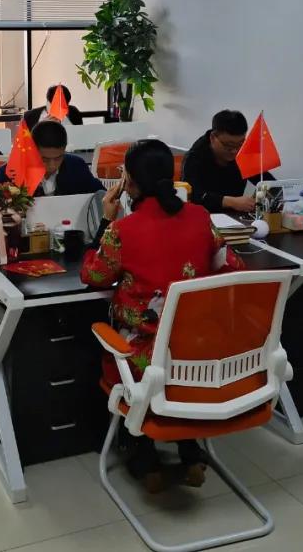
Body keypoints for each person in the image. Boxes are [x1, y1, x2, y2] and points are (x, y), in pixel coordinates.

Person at [80, 139, 245, 492]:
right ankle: (190, 452)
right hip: (199, 350)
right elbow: (233, 267)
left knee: (125, 356)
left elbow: (93, 276)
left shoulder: (123, 230)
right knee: (175, 371)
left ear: (129, 182)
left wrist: (105, 222)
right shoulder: (200, 217)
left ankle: (144, 458)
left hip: (146, 357)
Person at [182, 110, 273, 214]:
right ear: (213, 138)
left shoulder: (243, 152)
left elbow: (268, 182)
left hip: (235, 217)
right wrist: (229, 202)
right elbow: (191, 195)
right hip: (204, 216)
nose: (234, 151)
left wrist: (261, 198)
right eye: (228, 146)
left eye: (240, 144)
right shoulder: (195, 157)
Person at [0, 119, 103, 196]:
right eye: (44, 159)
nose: (52, 165)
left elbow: (100, 195)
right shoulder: (9, 173)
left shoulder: (76, 166)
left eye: (58, 158)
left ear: (64, 149)